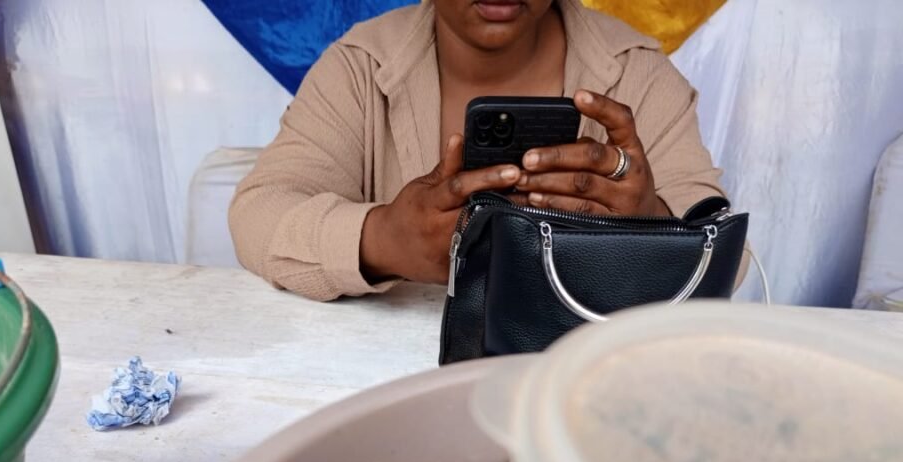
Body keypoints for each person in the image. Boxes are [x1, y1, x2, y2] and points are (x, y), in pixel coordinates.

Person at [230, 0, 740, 301]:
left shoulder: (638, 73)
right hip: (388, 392)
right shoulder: (359, 67)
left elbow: (729, 256)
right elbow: (258, 214)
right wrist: (382, 239)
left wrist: (651, 224)